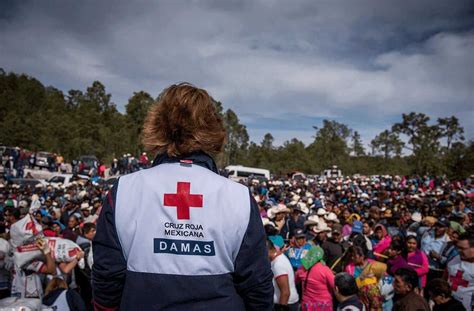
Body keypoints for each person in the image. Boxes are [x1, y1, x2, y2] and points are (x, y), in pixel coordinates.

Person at [92, 83, 273, 310]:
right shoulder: (238, 197)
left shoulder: (125, 189)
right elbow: (257, 284)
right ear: (213, 128)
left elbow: (107, 277)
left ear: (157, 124)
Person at [295, 245, 334, 311]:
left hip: (307, 305)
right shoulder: (325, 270)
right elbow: (334, 285)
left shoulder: (301, 269)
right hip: (323, 305)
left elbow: (295, 281)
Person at [267, 240, 299, 311]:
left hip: (286, 304)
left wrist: (281, 308)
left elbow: (285, 292)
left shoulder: (278, 264)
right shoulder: (279, 257)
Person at [446, 232, 474, 310]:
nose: (459, 251)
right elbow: (445, 277)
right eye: (458, 247)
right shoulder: (454, 259)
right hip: (449, 305)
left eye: (463, 248)